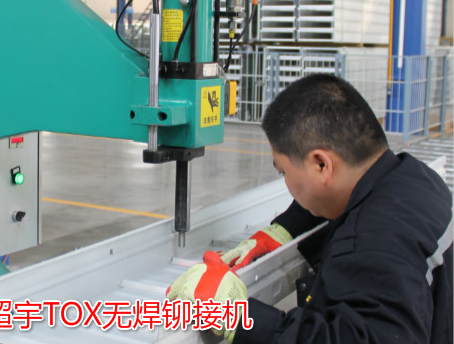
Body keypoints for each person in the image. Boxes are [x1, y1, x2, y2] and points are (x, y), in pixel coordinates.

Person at [167, 74, 453, 344]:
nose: (287, 184)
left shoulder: (373, 245)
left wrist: (239, 317)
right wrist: (284, 229)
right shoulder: (415, 180)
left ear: (321, 164)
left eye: (283, 172)